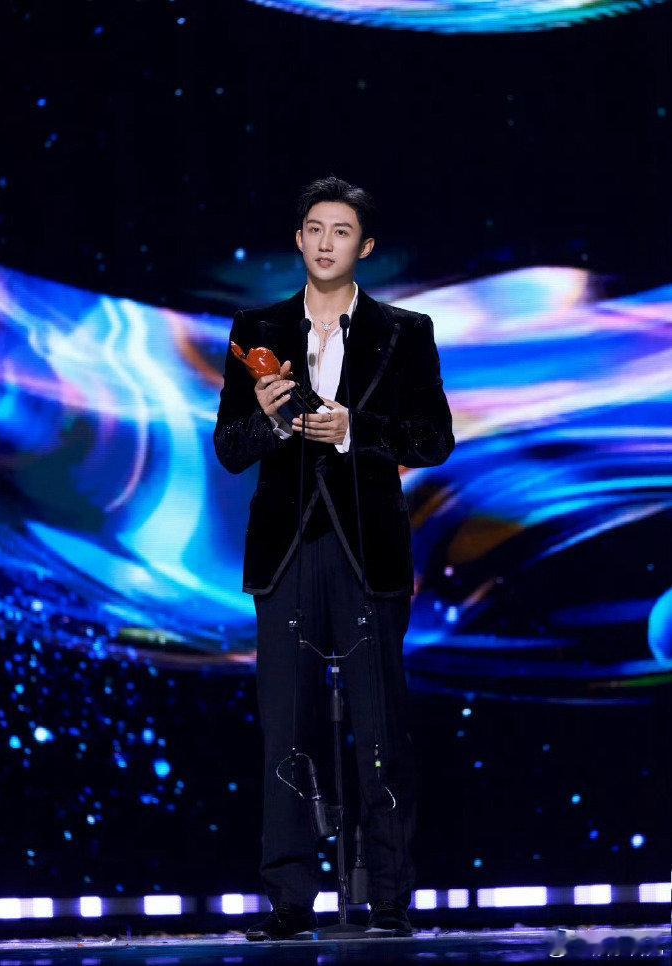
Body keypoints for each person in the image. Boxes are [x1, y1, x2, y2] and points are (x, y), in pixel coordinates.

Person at [214, 175, 455, 940]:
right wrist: (268, 422)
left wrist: (356, 430)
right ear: (298, 240)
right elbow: (229, 449)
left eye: (341, 231)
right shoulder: (255, 328)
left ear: (366, 246)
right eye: (314, 229)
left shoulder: (403, 332)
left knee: (382, 729)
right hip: (286, 554)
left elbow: (434, 439)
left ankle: (389, 898)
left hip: (367, 551)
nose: (325, 243)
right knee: (286, 730)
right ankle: (289, 898)